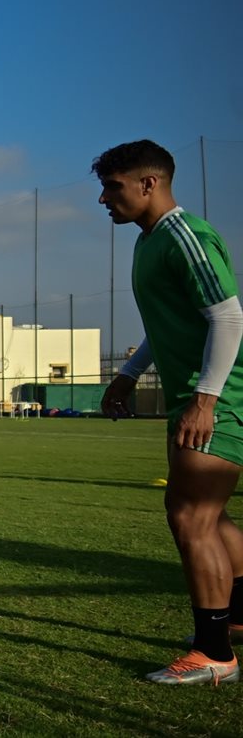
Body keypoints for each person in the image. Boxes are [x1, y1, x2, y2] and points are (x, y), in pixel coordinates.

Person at [96, 139, 243, 685]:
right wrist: (129, 372)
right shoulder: (148, 242)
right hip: (195, 396)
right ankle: (237, 620)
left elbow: (228, 318)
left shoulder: (186, 237)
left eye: (113, 187)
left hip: (220, 399)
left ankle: (215, 654)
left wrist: (206, 399)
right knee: (210, 514)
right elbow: (167, 322)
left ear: (149, 183)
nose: (104, 199)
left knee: (189, 516)